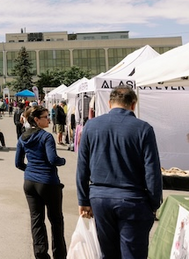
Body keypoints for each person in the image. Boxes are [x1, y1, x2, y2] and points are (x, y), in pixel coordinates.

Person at [76, 87, 162, 259]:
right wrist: (154, 202)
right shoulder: (143, 128)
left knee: (108, 252)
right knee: (132, 252)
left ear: (109, 103)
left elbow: (82, 166)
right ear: (133, 105)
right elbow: (152, 170)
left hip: (100, 198)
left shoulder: (91, 126)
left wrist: (83, 199)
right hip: (133, 199)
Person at [15, 106, 67, 259]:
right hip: (48, 183)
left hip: (30, 182)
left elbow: (18, 163)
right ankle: (60, 255)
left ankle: (41, 254)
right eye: (45, 117)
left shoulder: (23, 137)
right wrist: (62, 161)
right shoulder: (46, 137)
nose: (49, 119)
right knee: (56, 220)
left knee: (36, 220)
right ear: (36, 120)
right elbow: (53, 159)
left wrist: (30, 170)